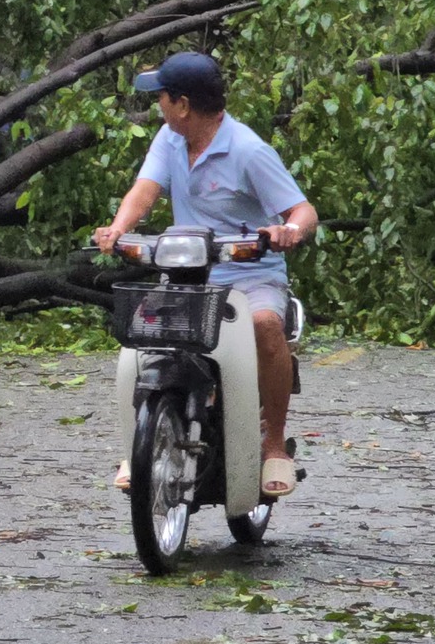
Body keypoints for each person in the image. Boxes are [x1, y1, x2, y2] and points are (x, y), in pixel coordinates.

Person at [91, 51, 319, 498]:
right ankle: (139, 443)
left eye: (161, 96)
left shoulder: (249, 150)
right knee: (141, 333)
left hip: (251, 274)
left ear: (182, 104)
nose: (157, 104)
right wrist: (119, 228)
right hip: (188, 274)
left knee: (264, 326)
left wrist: (289, 230)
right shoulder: (169, 139)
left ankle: (274, 445)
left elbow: (302, 209)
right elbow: (145, 190)